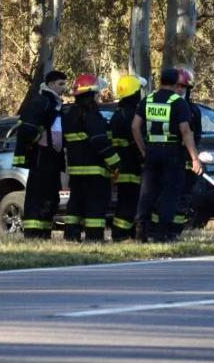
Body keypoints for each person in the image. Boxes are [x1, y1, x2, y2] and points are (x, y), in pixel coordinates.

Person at [132, 68, 202, 243]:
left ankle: (141, 232)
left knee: (147, 192)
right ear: (175, 83)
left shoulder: (147, 100)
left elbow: (134, 127)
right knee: (170, 193)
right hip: (172, 153)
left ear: (161, 80)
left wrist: (142, 150)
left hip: (151, 152)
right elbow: (185, 131)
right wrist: (194, 158)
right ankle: (161, 234)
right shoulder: (178, 102)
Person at [62, 74, 121, 242]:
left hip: (75, 171)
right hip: (95, 172)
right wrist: (116, 164)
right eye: (97, 93)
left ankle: (71, 236)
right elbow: (100, 142)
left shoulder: (70, 115)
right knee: (95, 205)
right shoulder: (92, 116)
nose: (99, 96)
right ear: (91, 94)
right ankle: (94, 237)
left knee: (75, 205)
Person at [13, 70, 67, 239]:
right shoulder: (41, 101)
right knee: (37, 197)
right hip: (40, 159)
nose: (64, 88)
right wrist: (39, 138)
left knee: (50, 197)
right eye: (60, 84)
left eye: (64, 84)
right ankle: (32, 234)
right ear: (50, 85)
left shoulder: (54, 104)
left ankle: (44, 233)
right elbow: (25, 129)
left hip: (52, 160)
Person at [109, 75, 147, 242]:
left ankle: (122, 233)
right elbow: (139, 139)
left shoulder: (117, 114)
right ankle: (122, 234)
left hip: (121, 166)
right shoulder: (134, 115)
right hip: (133, 166)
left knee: (125, 200)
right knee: (130, 202)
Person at [172, 68, 202, 240]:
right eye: (178, 85)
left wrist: (193, 158)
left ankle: (175, 231)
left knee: (183, 197)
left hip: (185, 161)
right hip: (168, 160)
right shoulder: (164, 105)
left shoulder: (193, 111)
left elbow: (195, 136)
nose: (181, 89)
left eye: (184, 86)